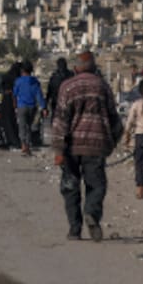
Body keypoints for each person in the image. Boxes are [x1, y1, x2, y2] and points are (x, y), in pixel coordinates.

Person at [52, 51, 124, 242]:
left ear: (75, 68)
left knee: (70, 187)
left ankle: (74, 229)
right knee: (96, 185)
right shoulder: (103, 86)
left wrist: (58, 149)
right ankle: (91, 212)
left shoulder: (67, 87)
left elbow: (60, 120)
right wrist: (112, 142)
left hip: (71, 147)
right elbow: (114, 119)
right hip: (96, 145)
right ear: (94, 67)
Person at [12, 60, 47, 156]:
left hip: (21, 106)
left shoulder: (18, 81)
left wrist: (14, 105)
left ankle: (24, 144)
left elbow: (14, 94)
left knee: (22, 126)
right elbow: (39, 95)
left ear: (22, 70)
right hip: (32, 107)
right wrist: (44, 107)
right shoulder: (35, 81)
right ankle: (27, 143)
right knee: (29, 126)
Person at [0, 61, 22, 149]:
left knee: (7, 122)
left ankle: (8, 140)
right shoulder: (15, 78)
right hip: (11, 100)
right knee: (11, 122)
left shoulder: (6, 76)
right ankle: (14, 141)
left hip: (5, 100)